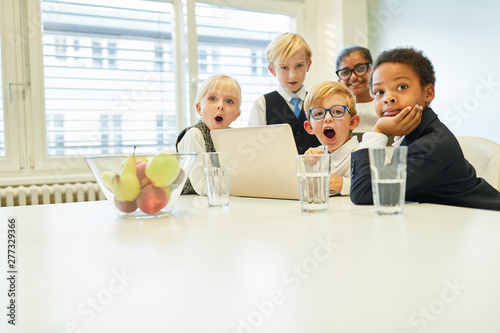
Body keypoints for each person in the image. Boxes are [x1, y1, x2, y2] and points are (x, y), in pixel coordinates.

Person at [350, 47, 500, 211]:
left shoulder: (431, 145)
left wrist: (379, 131)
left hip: (487, 225)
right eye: (379, 91)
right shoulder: (415, 136)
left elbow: (363, 193)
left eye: (401, 87)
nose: (388, 98)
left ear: (427, 93)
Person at [247, 33, 320, 154]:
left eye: (299, 66)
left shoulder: (318, 101)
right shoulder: (262, 104)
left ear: (308, 65)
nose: (293, 75)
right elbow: (254, 150)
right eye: (284, 67)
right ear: (272, 69)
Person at [176, 74, 241, 195]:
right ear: (199, 108)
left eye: (229, 101)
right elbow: (203, 186)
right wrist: (240, 183)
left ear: (236, 115)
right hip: (190, 203)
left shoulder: (232, 137)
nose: (221, 105)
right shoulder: (194, 134)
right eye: (212, 99)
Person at [303, 81, 360, 195]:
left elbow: (377, 185)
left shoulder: (365, 152)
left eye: (337, 111)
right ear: (310, 127)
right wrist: (305, 167)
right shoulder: (315, 156)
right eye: (319, 113)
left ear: (352, 122)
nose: (327, 118)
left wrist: (344, 184)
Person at [336, 46, 378, 134]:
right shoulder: (335, 112)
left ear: (373, 71)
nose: (353, 77)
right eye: (345, 72)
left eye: (361, 68)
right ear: (339, 81)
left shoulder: (384, 108)